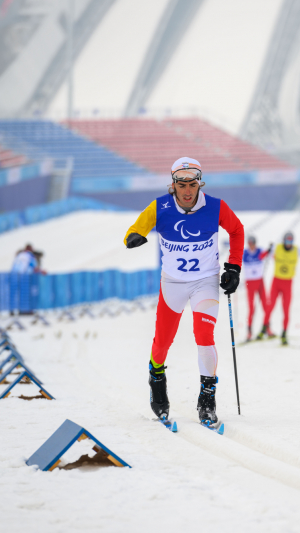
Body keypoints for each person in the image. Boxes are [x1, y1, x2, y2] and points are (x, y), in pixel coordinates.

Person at [124, 157, 244, 428]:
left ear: (199, 184)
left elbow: (237, 230)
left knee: (204, 335)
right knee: (162, 342)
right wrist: (134, 237)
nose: (188, 191)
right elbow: (136, 228)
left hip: (205, 281)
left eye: (192, 184)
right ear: (173, 185)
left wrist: (234, 267)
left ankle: (207, 398)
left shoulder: (215, 206)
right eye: (182, 185)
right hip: (173, 283)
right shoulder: (160, 207)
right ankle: (156, 378)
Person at [258, 231, 300, 346]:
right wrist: (268, 251)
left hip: (288, 284)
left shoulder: (297, 250)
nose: (289, 243)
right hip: (276, 282)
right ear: (284, 240)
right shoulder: (277, 248)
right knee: (270, 306)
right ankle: (264, 329)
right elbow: (261, 257)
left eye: (291, 241)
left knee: (286, 310)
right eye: (287, 241)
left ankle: (284, 334)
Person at [242, 235, 270, 341]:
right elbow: (235, 260)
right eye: (249, 243)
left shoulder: (260, 251)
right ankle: (249, 332)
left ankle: (267, 328)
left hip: (260, 281)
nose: (251, 245)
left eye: (252, 243)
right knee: (251, 308)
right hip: (250, 283)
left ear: (255, 243)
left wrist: (270, 249)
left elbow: (267, 254)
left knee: (265, 305)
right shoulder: (245, 253)